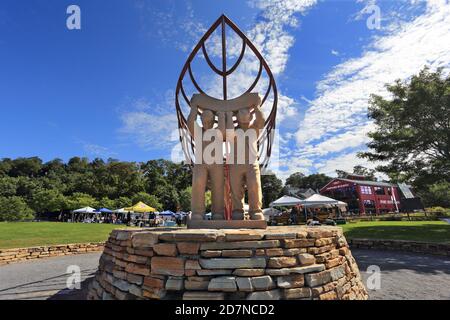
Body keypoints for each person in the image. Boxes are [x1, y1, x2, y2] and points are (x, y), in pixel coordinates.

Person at [227, 104, 265, 220]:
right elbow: (228, 131)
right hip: (236, 162)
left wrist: (257, 106)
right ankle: (237, 210)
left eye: (246, 113)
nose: (244, 116)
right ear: (237, 118)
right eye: (241, 114)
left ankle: (255, 210)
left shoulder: (254, 128)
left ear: (251, 116)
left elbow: (261, 120)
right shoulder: (233, 131)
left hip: (251, 162)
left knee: (254, 185)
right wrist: (228, 114)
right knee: (236, 188)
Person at [187, 105, 226, 220]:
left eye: (209, 121)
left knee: (218, 186)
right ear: (201, 120)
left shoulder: (218, 131)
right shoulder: (198, 131)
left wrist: (221, 114)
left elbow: (223, 128)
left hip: (216, 164)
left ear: (213, 121)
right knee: (198, 184)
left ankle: (218, 213)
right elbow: (190, 121)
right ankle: (197, 212)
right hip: (201, 163)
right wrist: (194, 107)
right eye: (204, 120)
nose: (206, 123)